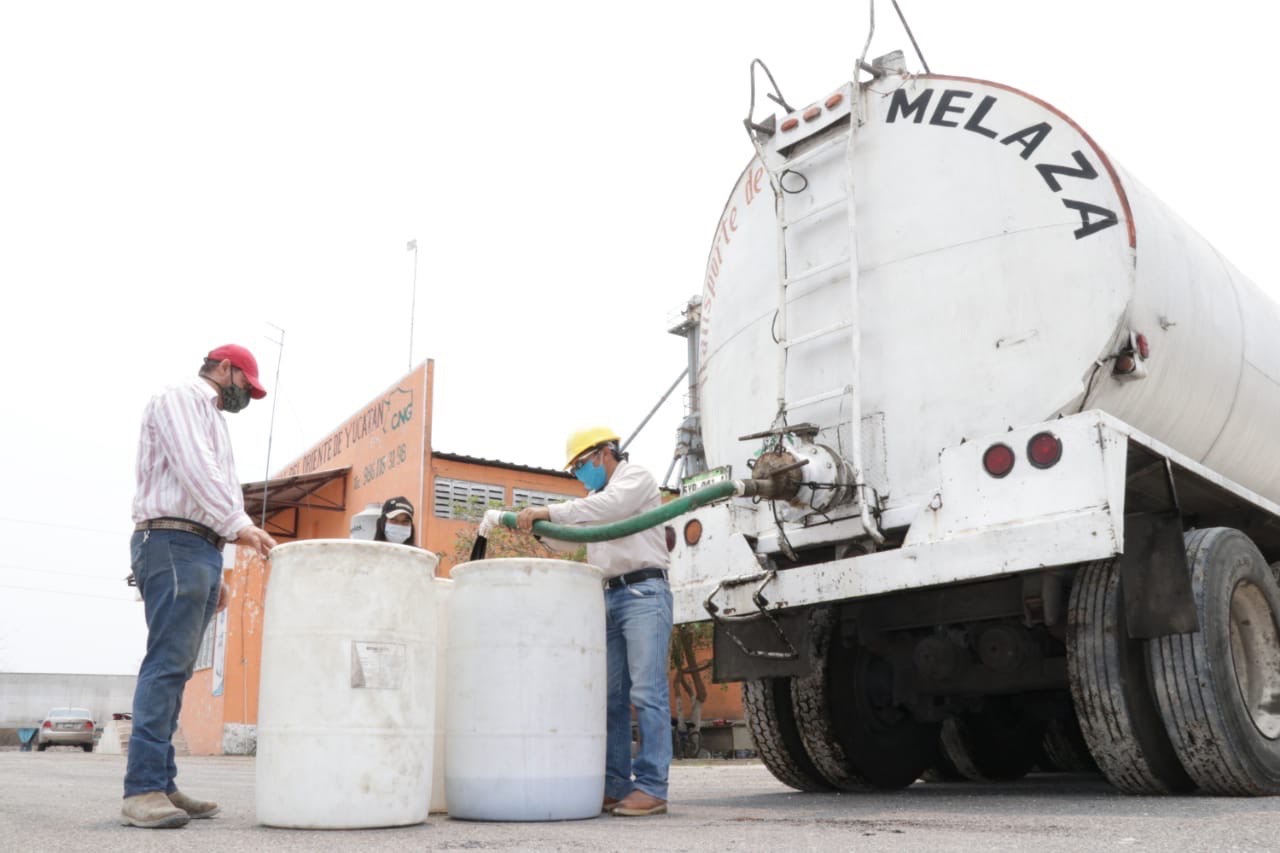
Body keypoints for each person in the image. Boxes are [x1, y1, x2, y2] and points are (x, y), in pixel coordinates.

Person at [123, 344, 278, 829]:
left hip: (197, 547)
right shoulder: (183, 397)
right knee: (166, 663)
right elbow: (196, 470)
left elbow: (215, 486)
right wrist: (239, 525)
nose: (245, 398)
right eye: (244, 387)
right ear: (226, 368)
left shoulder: (211, 417)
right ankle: (142, 789)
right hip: (172, 540)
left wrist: (220, 565)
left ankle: (162, 783)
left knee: (178, 667)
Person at [507, 426, 673, 817]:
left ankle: (653, 786)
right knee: (611, 698)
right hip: (609, 595)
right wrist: (539, 529)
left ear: (604, 453)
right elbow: (572, 537)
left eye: (582, 465)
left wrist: (549, 511)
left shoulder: (634, 479)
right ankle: (615, 785)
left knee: (647, 692)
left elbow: (607, 512)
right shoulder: (594, 498)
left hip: (644, 593)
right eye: (576, 470)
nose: (581, 474)